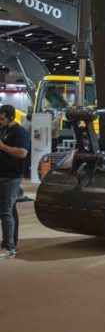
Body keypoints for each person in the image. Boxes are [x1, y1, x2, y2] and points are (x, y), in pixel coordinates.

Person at [0, 104, 30, 259]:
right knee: (9, 209)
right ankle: (10, 241)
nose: (0, 121)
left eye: (2, 119)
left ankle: (10, 246)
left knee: (6, 210)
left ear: (11, 117)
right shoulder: (3, 131)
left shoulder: (21, 132)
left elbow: (22, 153)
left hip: (11, 177)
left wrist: (3, 147)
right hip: (2, 175)